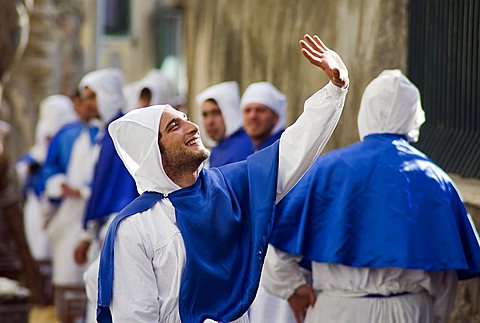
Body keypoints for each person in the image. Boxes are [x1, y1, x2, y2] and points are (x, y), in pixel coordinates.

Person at [91, 34, 349, 322]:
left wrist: (334, 91)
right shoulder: (134, 226)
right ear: (155, 150)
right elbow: (135, 316)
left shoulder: (227, 188)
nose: (192, 127)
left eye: (187, 117)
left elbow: (289, 153)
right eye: (175, 126)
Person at [262, 70, 480, 323]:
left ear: (365, 111)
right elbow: (445, 274)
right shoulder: (436, 180)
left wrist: (293, 289)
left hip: (338, 310)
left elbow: (277, 248)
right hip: (410, 310)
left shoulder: (324, 171)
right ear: (414, 115)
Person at [16, 95, 77, 262]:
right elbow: (36, 154)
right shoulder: (45, 133)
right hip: (37, 201)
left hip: (65, 204)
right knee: (38, 250)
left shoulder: (71, 135)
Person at [196, 81, 253, 167]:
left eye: (216, 112)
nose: (209, 121)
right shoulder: (218, 147)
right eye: (205, 115)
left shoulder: (243, 148)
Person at [241, 81, 286, 152]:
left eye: (260, 110)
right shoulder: (249, 149)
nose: (252, 116)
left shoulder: (282, 150)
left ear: (276, 117)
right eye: (247, 110)